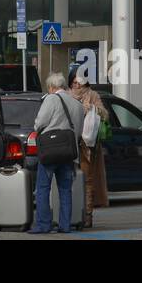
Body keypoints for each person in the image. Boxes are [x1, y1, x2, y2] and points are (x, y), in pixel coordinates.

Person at [28, 72, 83, 235]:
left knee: (43, 187)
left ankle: (43, 225)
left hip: (50, 151)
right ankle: (65, 225)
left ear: (52, 87)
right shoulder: (76, 103)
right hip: (68, 151)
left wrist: (38, 127)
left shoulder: (51, 99)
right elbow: (78, 131)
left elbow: (40, 122)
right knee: (65, 189)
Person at [69, 70, 108, 229]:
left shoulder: (93, 95)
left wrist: (92, 108)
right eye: (74, 82)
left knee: (87, 180)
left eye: (80, 82)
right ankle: (70, 214)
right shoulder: (66, 95)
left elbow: (105, 115)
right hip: (69, 144)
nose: (77, 85)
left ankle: (87, 215)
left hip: (87, 146)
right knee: (68, 180)